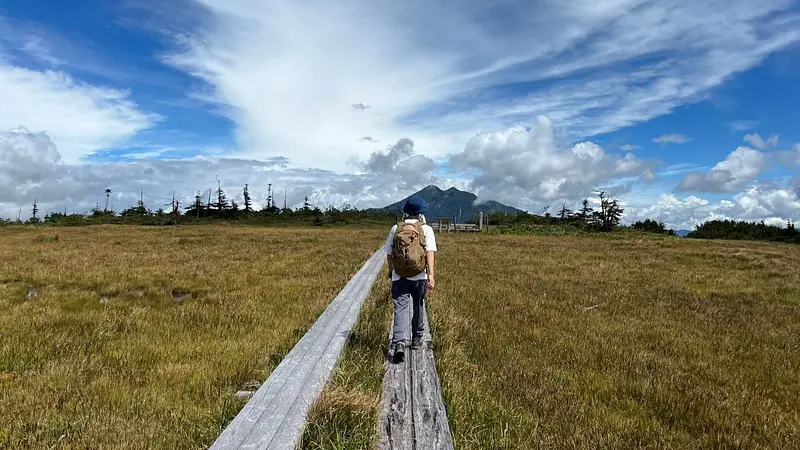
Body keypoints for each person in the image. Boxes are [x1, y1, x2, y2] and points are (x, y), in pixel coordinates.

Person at [384, 195, 437, 363]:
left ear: (406, 212)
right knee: (418, 305)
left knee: (399, 308)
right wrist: (431, 275)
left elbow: (389, 254)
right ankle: (416, 339)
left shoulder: (396, 228)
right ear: (420, 213)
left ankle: (399, 342)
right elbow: (430, 253)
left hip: (399, 276)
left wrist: (391, 271)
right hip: (419, 275)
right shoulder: (426, 229)